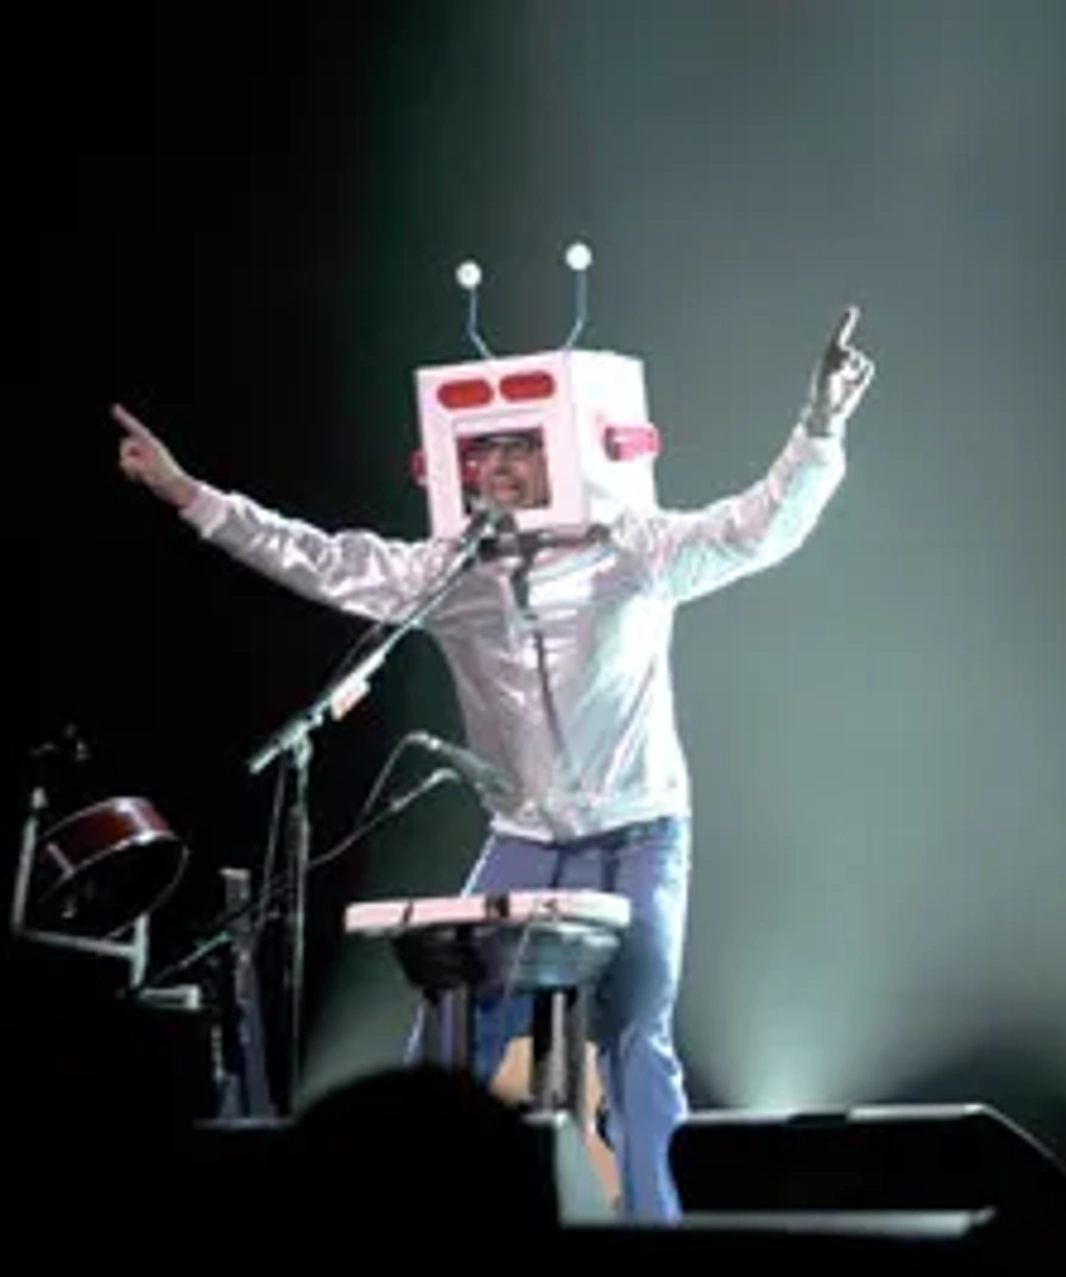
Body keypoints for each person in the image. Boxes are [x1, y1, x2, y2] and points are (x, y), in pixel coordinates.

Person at [112, 306, 876, 1221]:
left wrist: (819, 429)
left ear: (567, 453)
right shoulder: (453, 574)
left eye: (521, 448)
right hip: (525, 834)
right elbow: (319, 558)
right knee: (451, 1035)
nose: (500, 468)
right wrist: (189, 494)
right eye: (484, 453)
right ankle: (402, 1224)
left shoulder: (633, 551)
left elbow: (757, 527)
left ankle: (659, 1234)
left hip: (638, 829)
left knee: (633, 1037)